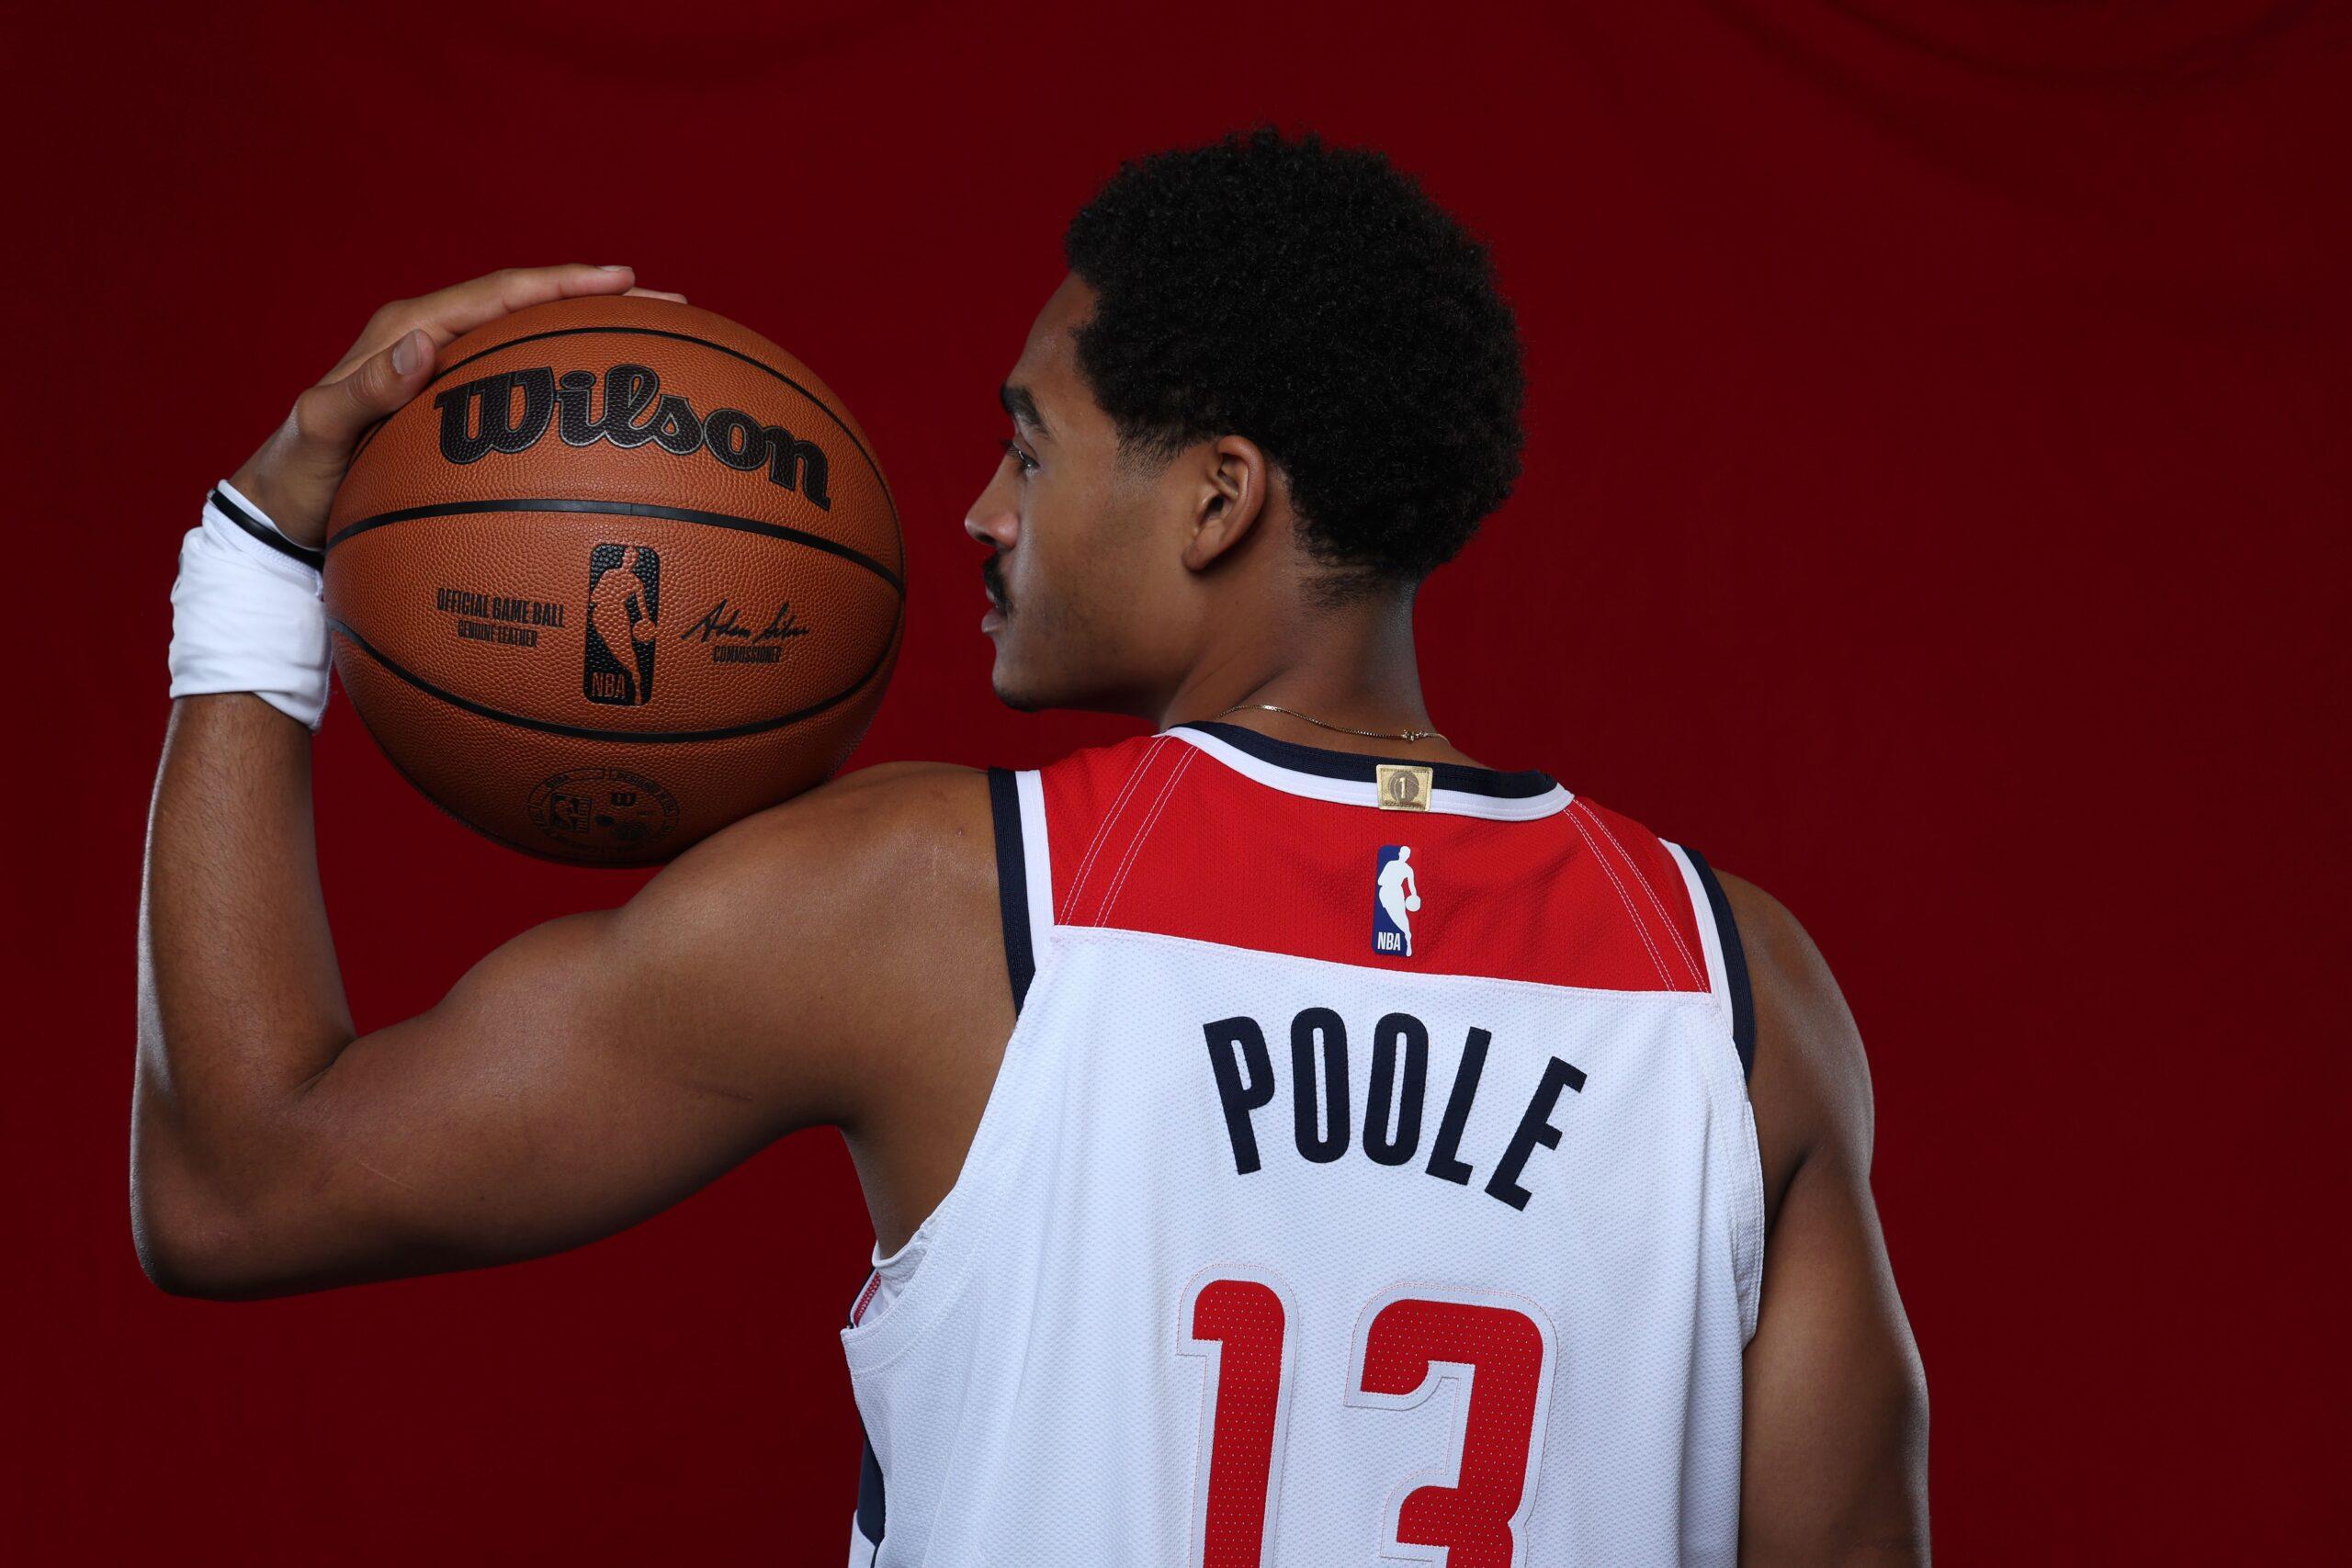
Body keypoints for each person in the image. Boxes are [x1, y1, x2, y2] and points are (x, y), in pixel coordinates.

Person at [137, 130, 1928, 1565]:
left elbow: (239, 1184)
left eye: (1031, 446)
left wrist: (259, 554)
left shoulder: (942, 903)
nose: (984, 514)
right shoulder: (1735, 992)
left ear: (1217, 498)